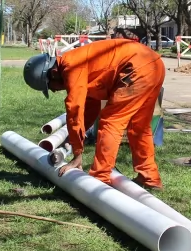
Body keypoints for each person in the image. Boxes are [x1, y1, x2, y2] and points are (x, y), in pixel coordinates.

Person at [22, 38, 165, 190]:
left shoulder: (72, 67)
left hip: (136, 68)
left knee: (111, 121)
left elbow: (75, 110)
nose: (54, 90)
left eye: (50, 87)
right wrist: (73, 141)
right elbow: (89, 110)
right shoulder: (81, 65)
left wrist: (77, 155)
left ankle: (100, 178)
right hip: (153, 65)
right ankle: (149, 178)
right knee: (139, 127)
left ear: (53, 74)